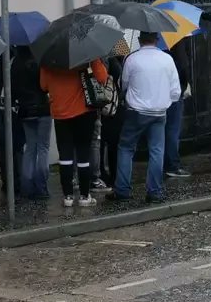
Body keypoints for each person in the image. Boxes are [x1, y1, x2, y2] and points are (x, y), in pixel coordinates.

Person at [108, 33, 180, 203]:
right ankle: (154, 192)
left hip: (136, 112)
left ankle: (122, 190)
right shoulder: (167, 59)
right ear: (157, 39)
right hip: (159, 112)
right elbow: (175, 91)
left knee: (126, 149)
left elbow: (123, 85)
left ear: (140, 40)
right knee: (156, 151)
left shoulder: (132, 60)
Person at [40, 58, 108, 207]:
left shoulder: (49, 59)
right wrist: (95, 60)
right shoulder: (86, 55)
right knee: (83, 153)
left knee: (65, 155)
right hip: (83, 112)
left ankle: (68, 196)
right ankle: (84, 196)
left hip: (60, 112)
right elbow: (102, 78)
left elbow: (43, 86)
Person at [11, 46, 52, 199]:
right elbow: (45, 86)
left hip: (25, 111)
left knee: (30, 148)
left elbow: (12, 90)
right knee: (43, 148)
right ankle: (41, 188)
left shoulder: (14, 64)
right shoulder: (39, 62)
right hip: (42, 109)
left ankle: (26, 187)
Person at [0, 49, 25, 195]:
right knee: (16, 143)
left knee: (3, 143)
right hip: (7, 102)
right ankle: (17, 181)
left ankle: (8, 181)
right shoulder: (14, 53)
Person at [163, 41, 192, 179]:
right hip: (173, 91)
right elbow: (183, 65)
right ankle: (172, 165)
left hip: (155, 91)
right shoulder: (175, 39)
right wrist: (184, 84)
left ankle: (162, 164)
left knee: (159, 131)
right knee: (172, 130)